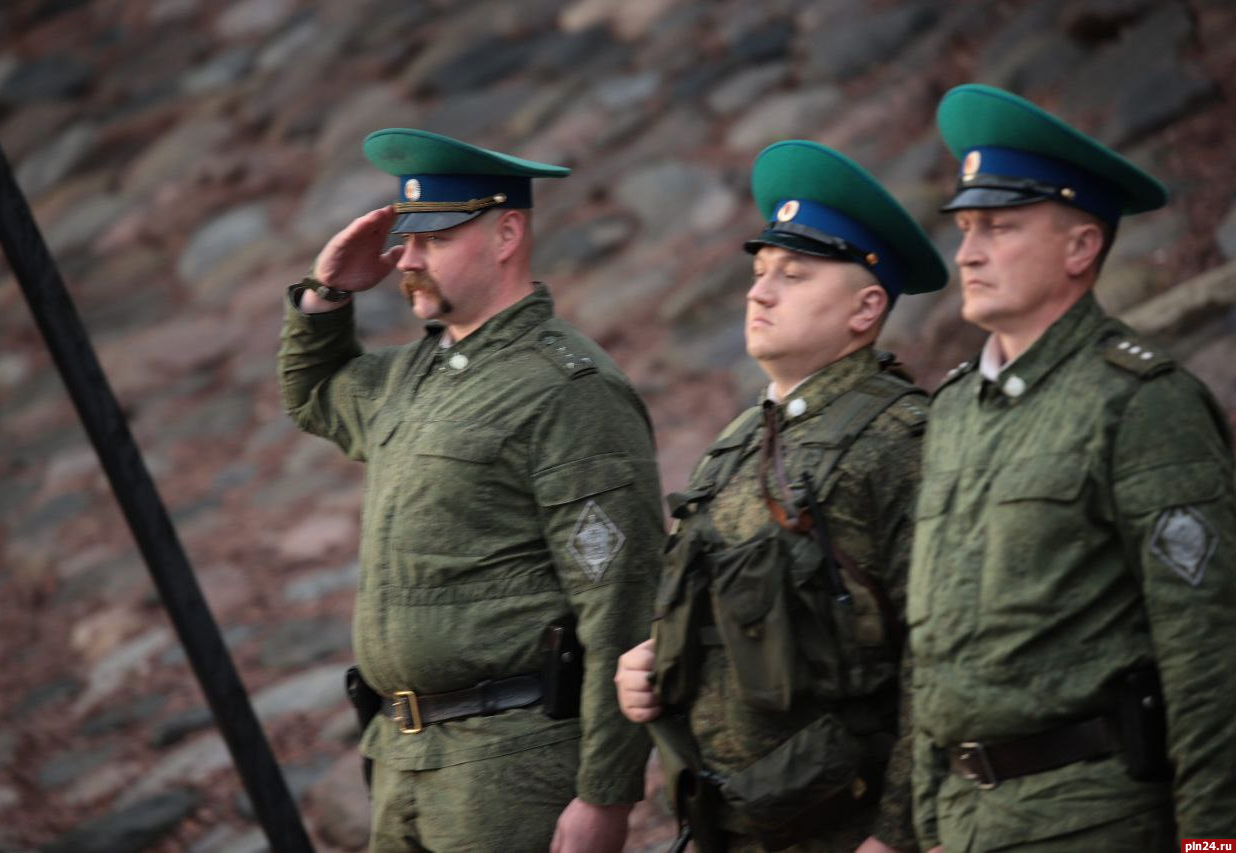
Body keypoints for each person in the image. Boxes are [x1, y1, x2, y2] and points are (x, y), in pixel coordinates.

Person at [278, 128, 664, 852]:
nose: (408, 260)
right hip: (402, 760)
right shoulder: (415, 374)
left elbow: (622, 602)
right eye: (404, 239)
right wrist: (326, 292)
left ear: (506, 233)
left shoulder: (568, 389)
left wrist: (606, 795)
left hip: (508, 767)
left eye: (434, 238)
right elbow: (315, 393)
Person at [908, 84, 1236, 851]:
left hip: (1092, 819)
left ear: (1081, 247)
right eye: (964, 227)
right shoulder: (953, 409)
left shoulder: (1139, 402)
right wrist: (926, 818)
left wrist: (1214, 840)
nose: (969, 252)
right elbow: (932, 643)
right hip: (965, 822)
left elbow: (1207, 646)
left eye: (1000, 226)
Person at [615, 140, 947, 852]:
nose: (758, 292)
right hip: (732, 822)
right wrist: (652, 662)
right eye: (761, 271)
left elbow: (942, 654)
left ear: (866, 309)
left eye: (793, 275)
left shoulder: (898, 440)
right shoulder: (741, 438)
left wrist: (898, 834)